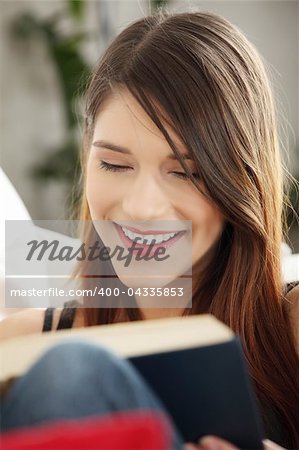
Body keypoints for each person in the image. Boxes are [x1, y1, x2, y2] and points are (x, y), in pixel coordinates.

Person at [0, 10, 298, 449]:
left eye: (186, 173)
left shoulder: (289, 325)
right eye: (114, 164)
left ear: (239, 182)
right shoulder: (24, 343)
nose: (139, 207)